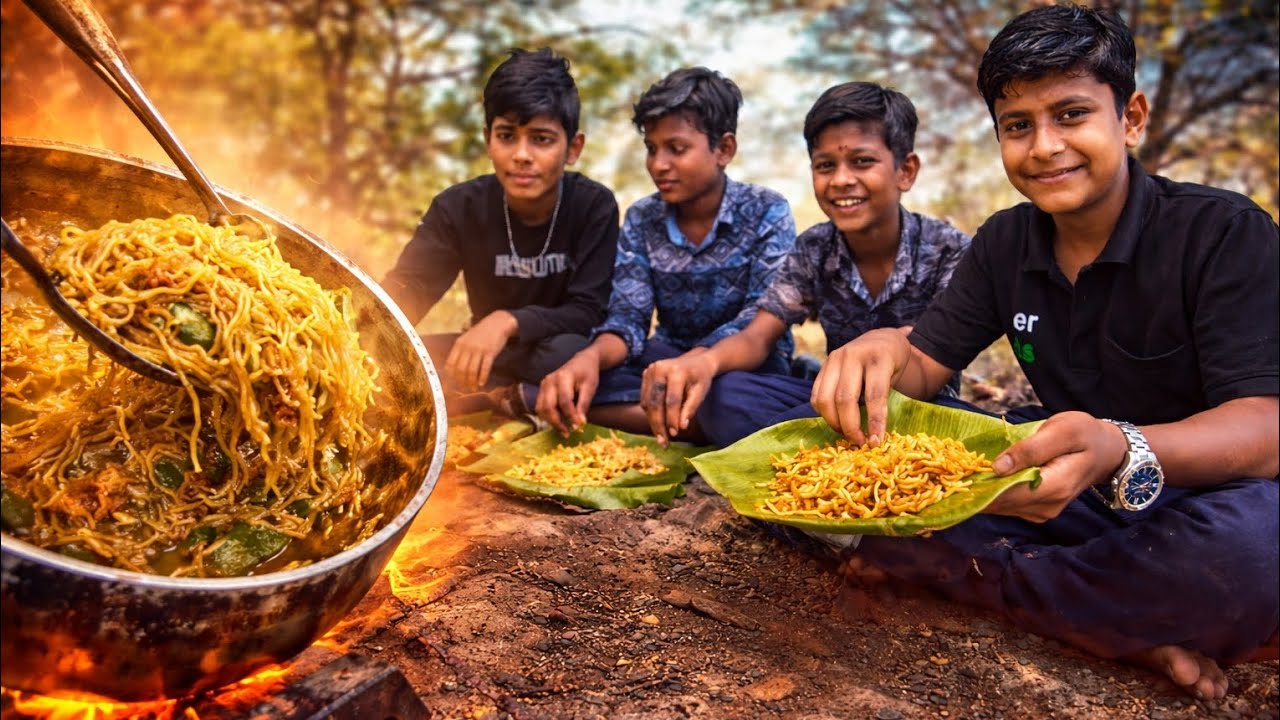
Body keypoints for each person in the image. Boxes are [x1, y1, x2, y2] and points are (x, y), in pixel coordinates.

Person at [812, 4, 1278, 700]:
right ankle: (1113, 620)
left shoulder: (1223, 233)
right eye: (1018, 126)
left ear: (1132, 117)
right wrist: (883, 350)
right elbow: (927, 363)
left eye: (1071, 114)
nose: (1044, 147)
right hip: (1066, 494)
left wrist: (1120, 444)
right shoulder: (1004, 243)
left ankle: (1013, 592)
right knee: (881, 477)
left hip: (1199, 499)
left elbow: (1266, 430)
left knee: (1252, 555)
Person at [636, 81, 970, 447]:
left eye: (862, 162)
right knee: (727, 392)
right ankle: (815, 437)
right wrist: (706, 362)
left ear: (905, 171)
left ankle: (801, 439)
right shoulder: (814, 248)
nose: (841, 180)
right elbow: (758, 334)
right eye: (826, 165)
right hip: (832, 402)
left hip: (922, 407)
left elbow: (942, 345)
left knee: (971, 425)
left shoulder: (948, 248)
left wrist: (892, 346)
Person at [535, 67, 797, 439]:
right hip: (664, 359)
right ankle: (682, 419)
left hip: (744, 365)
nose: (658, 165)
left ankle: (654, 415)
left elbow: (760, 326)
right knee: (567, 370)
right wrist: (589, 358)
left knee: (733, 397)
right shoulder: (643, 218)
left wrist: (698, 363)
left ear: (724, 149)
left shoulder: (766, 210)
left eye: (677, 149)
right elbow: (629, 317)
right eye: (652, 149)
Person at [381, 48, 619, 412]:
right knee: (400, 362)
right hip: (480, 355)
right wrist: (363, 332)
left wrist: (507, 320)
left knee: (568, 350)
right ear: (488, 138)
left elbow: (588, 310)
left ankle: (497, 398)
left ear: (573, 148)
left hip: (553, 354)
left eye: (541, 139)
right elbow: (409, 290)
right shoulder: (457, 207)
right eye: (507, 136)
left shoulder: (593, 206)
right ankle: (497, 397)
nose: (522, 155)